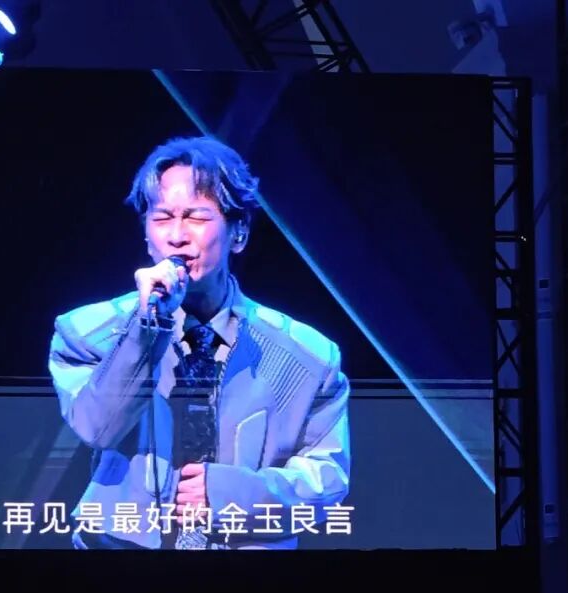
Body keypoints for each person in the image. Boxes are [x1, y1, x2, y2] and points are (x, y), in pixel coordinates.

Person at [47, 135, 351, 550]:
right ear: (146, 235)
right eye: (161, 218)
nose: (176, 236)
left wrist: (231, 496)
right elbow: (98, 428)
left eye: (195, 217)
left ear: (239, 233)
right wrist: (147, 326)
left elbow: (328, 478)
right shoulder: (87, 333)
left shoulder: (309, 357)